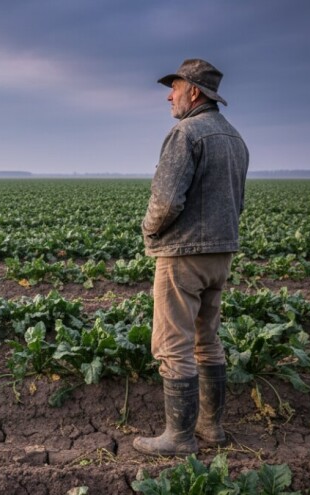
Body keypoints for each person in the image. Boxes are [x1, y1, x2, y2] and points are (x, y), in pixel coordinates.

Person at [133, 59, 249, 456]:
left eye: (176, 87)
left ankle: (178, 438)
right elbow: (239, 201)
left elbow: (165, 200)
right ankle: (211, 429)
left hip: (183, 254)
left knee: (173, 345)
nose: (170, 94)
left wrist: (149, 230)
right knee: (208, 341)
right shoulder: (234, 138)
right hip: (221, 253)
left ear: (194, 92)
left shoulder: (186, 134)